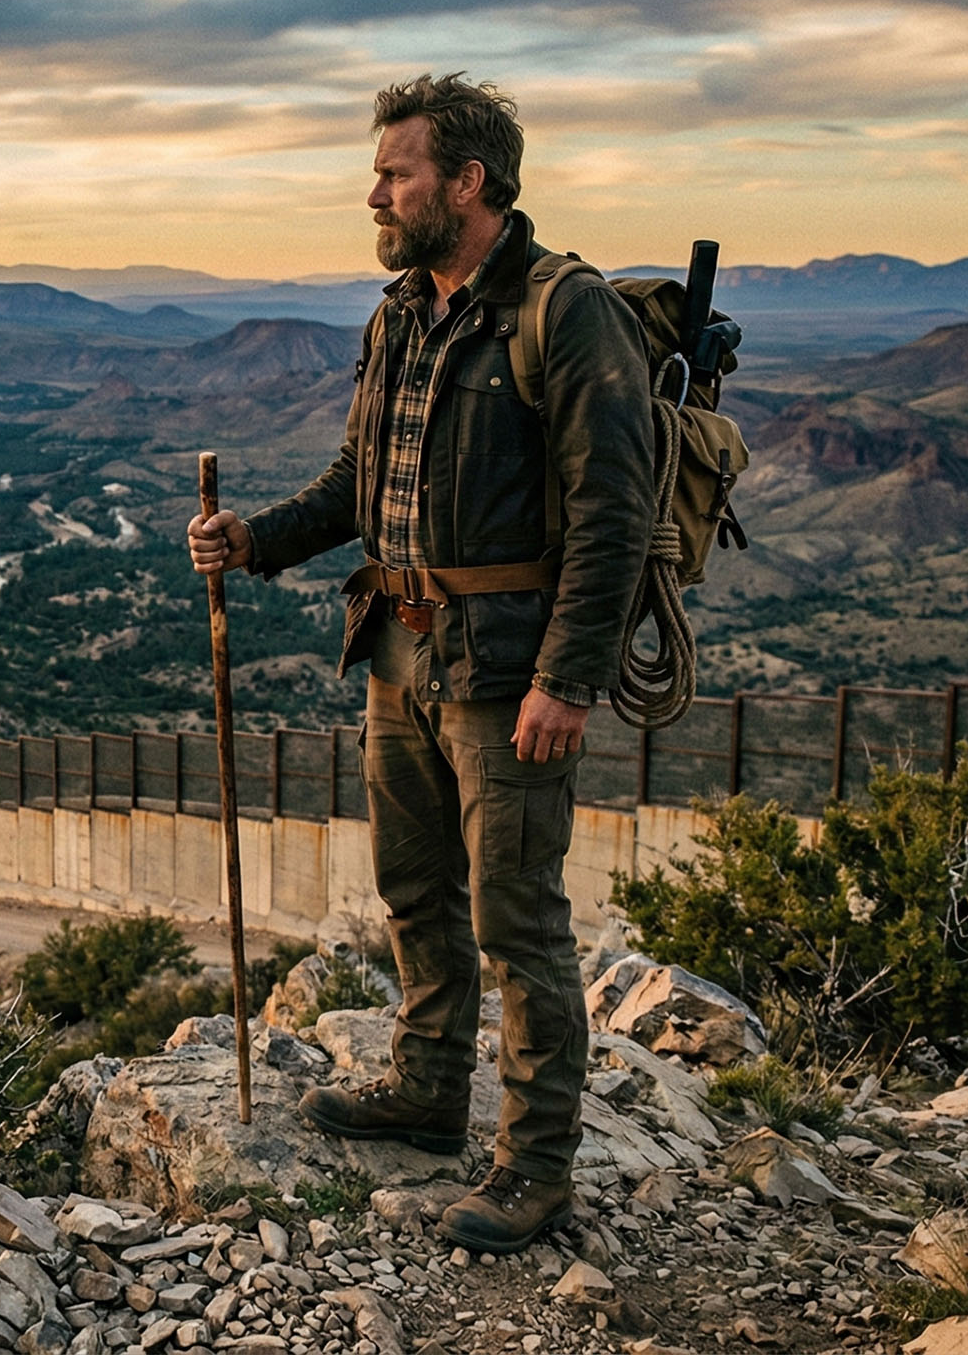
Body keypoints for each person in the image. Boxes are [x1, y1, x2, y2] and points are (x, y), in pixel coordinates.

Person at [187, 73, 653, 1254]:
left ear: (468, 182)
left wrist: (568, 679)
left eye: (395, 174)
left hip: (506, 672)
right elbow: (358, 483)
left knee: (518, 923)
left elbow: (614, 513)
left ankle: (535, 1169)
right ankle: (430, 1091)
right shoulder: (399, 312)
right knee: (415, 894)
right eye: (379, 174)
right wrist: (256, 541)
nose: (373, 195)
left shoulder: (563, 310)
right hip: (396, 649)